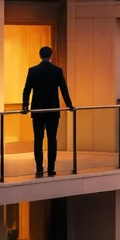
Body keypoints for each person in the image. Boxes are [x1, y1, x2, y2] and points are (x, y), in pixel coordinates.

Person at [21, 46, 74, 178]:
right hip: (52, 110)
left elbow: (26, 89)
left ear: (40, 55)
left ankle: (39, 168)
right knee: (52, 140)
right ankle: (51, 169)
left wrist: (25, 106)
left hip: (38, 111)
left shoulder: (33, 71)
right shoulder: (57, 71)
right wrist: (69, 105)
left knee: (38, 140)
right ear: (51, 56)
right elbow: (63, 89)